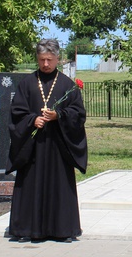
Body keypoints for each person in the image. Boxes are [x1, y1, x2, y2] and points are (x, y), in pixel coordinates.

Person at [6, 39, 87, 242]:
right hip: (33, 148)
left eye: (49, 60)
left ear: (57, 59)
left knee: (59, 186)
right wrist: (33, 119)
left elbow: (78, 114)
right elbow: (16, 112)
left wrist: (58, 115)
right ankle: (26, 229)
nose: (45, 64)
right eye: (42, 59)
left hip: (58, 147)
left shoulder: (68, 85)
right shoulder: (27, 84)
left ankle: (62, 230)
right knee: (30, 184)